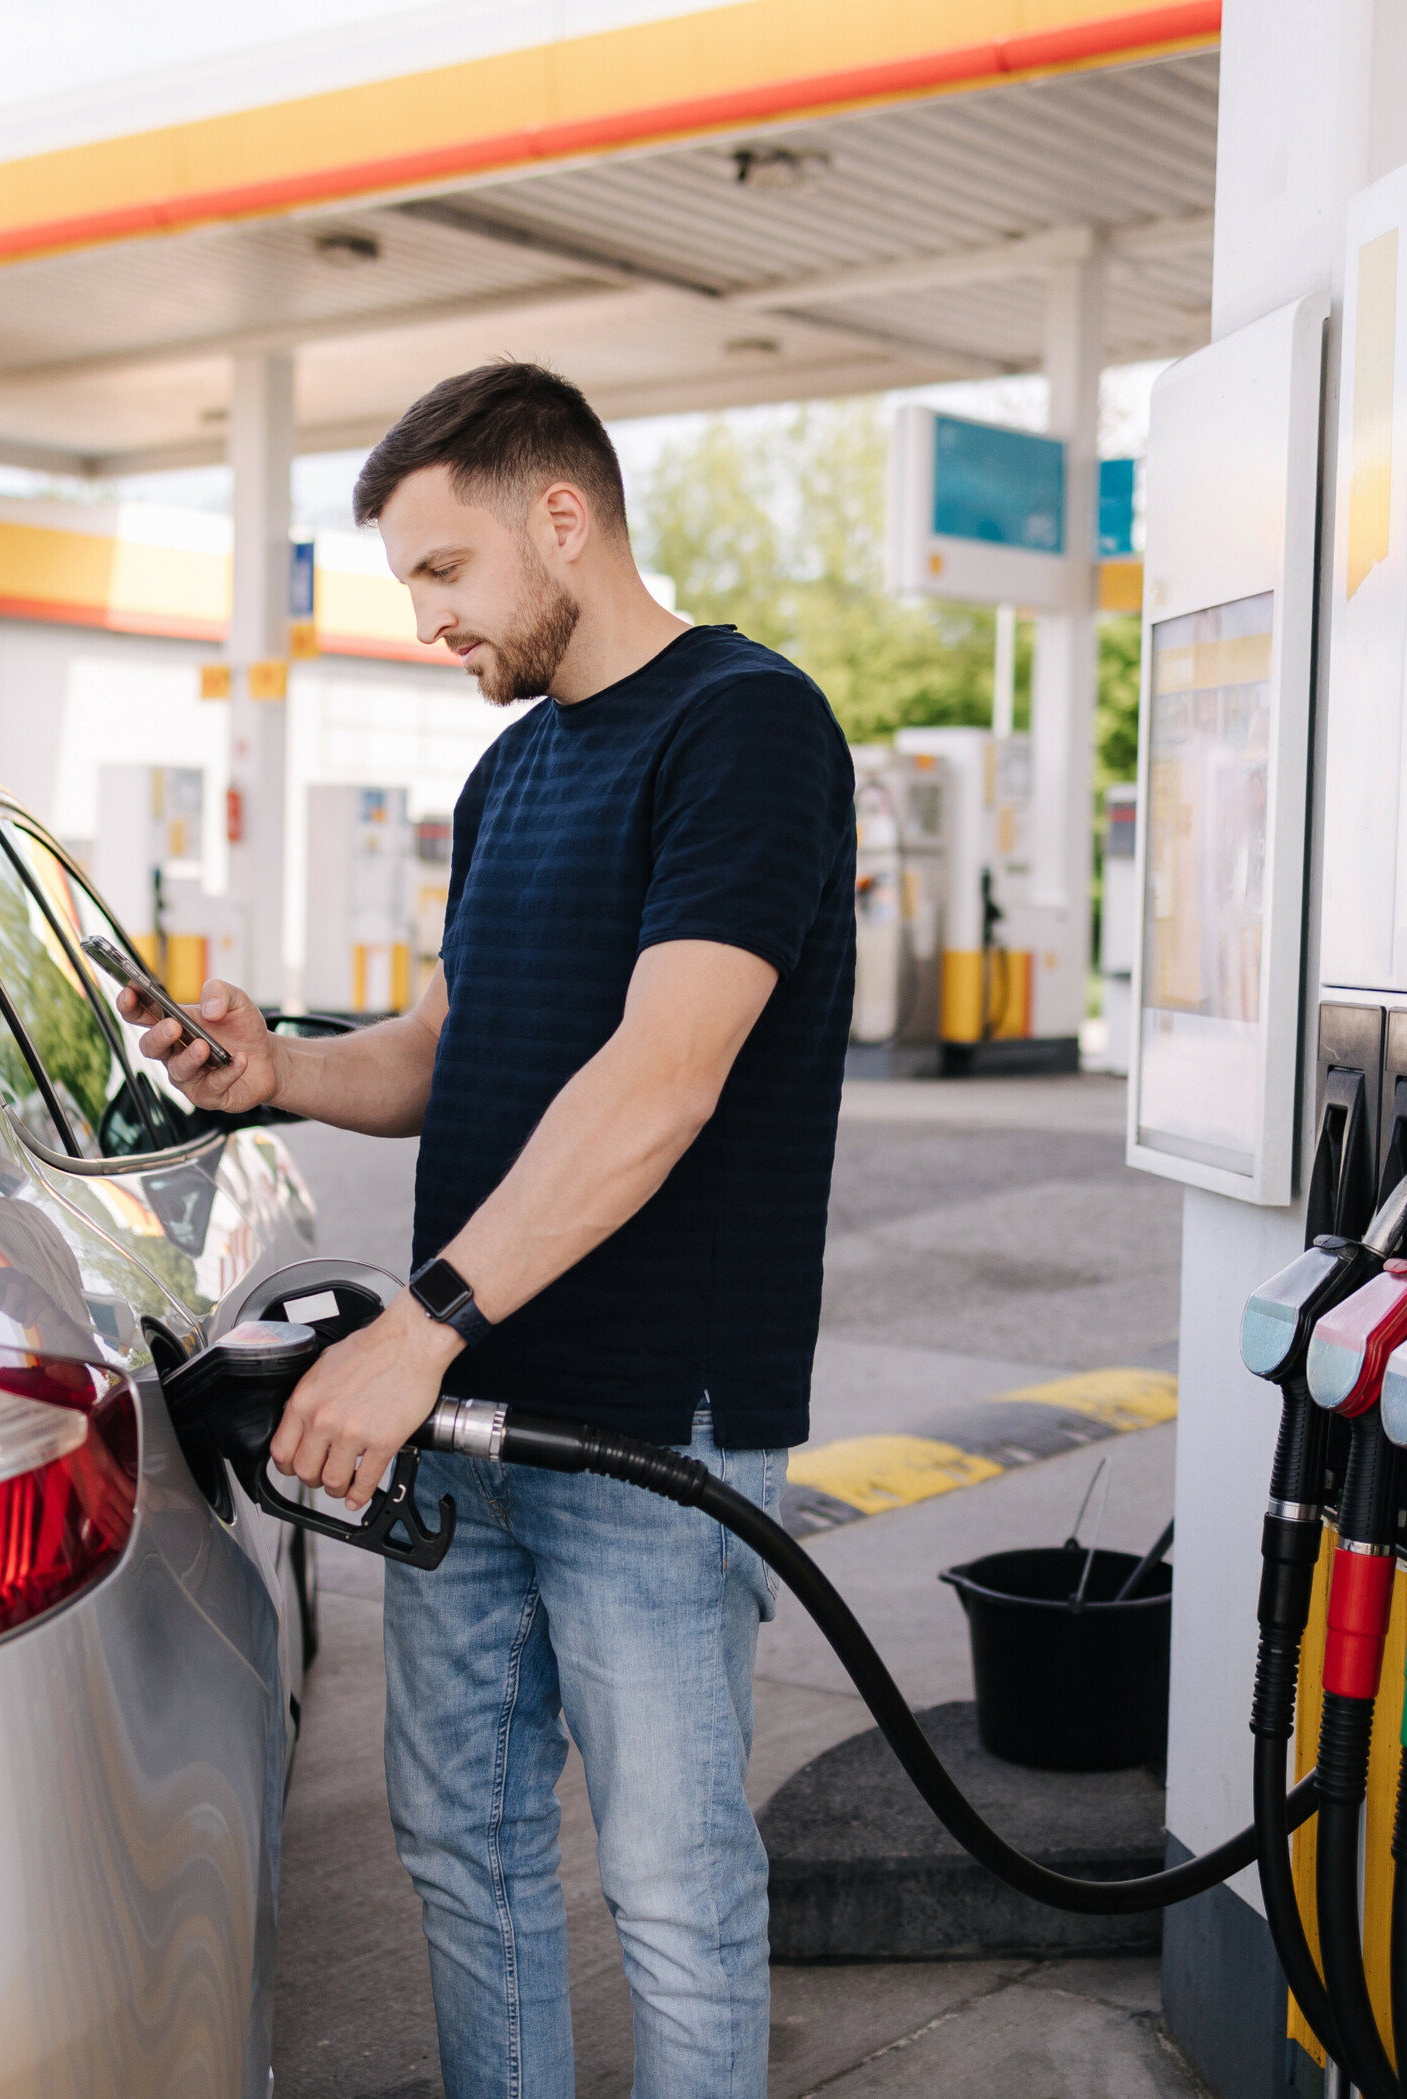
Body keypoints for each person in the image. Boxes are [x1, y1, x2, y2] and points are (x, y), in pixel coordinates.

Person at [117, 361, 855, 2099]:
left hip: (648, 1424)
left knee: (671, 1886)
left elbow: (663, 1080)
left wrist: (422, 1320)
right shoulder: (512, 776)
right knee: (462, 1842)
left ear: (561, 516)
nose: (430, 623)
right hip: (461, 1412)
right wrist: (273, 1068)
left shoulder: (744, 727)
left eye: (444, 576)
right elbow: (449, 1057)